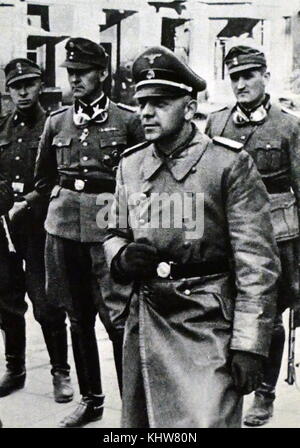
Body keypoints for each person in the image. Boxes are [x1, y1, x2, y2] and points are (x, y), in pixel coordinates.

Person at [103, 45, 281, 428]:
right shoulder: (130, 164)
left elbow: (258, 265)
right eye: (141, 102)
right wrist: (120, 257)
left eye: (160, 102)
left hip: (208, 326)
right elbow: (113, 229)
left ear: (188, 106)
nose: (147, 112)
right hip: (148, 323)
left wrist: (250, 345)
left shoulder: (228, 164)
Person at [34, 37, 144, 428]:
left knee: (119, 323)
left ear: (103, 74)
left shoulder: (128, 120)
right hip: (63, 233)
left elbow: (142, 182)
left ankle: (132, 407)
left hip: (109, 235)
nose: (75, 79)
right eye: (70, 73)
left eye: (82, 73)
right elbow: (44, 178)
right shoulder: (57, 121)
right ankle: (91, 400)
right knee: (78, 319)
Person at [205, 45, 300, 427]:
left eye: (249, 76)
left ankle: (265, 392)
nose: (241, 84)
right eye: (235, 78)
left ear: (266, 77)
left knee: (269, 317)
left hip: (277, 236)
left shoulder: (289, 126)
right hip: (227, 234)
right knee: (225, 311)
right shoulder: (216, 124)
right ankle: (229, 384)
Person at [0, 58, 73, 403]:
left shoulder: (55, 125)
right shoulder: (1, 127)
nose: (23, 92)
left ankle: (61, 372)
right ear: (7, 90)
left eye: (29, 84)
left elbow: (59, 175)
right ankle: (15, 368)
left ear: (41, 85)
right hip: (5, 227)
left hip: (41, 227)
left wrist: (27, 201)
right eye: (16, 86)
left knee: (46, 303)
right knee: (7, 301)